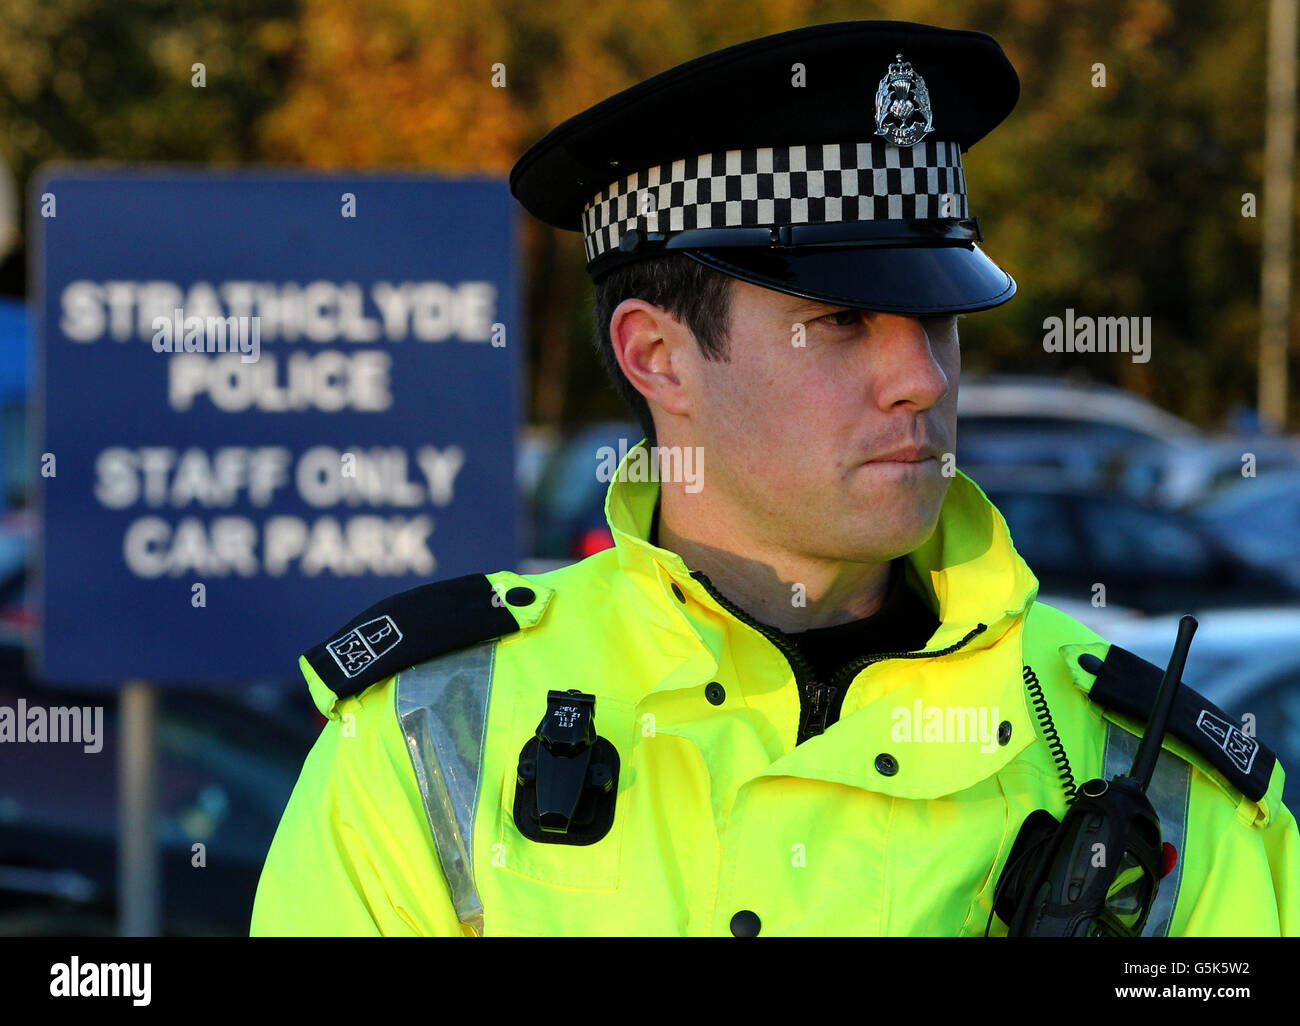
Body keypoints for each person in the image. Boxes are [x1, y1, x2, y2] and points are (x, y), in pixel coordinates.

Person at [251, 19, 1300, 936]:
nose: (920, 377)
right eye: (839, 321)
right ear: (656, 357)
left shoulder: (1150, 771)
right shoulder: (431, 733)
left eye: (934, 316)